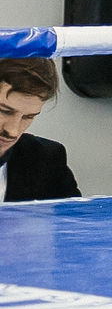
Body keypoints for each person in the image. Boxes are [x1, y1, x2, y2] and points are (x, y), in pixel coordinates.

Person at [0, 58, 78, 202]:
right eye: (4, 111)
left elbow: (77, 216)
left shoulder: (45, 160)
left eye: (28, 117)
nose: (13, 131)